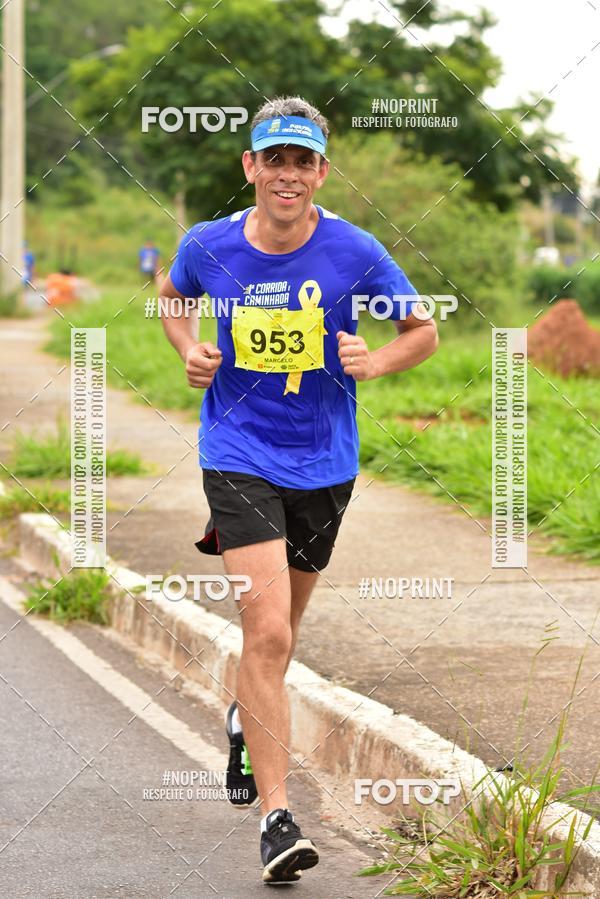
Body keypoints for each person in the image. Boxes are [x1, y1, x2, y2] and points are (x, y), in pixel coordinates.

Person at [158, 96, 438, 885]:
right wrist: (189, 349)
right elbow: (174, 297)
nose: (287, 174)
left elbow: (422, 329)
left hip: (325, 464)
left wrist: (373, 361)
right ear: (250, 166)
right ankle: (278, 816)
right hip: (238, 453)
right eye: (272, 158)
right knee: (270, 631)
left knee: (276, 643)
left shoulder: (355, 251)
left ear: (321, 171)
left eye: (302, 161)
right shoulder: (208, 246)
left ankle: (246, 721)